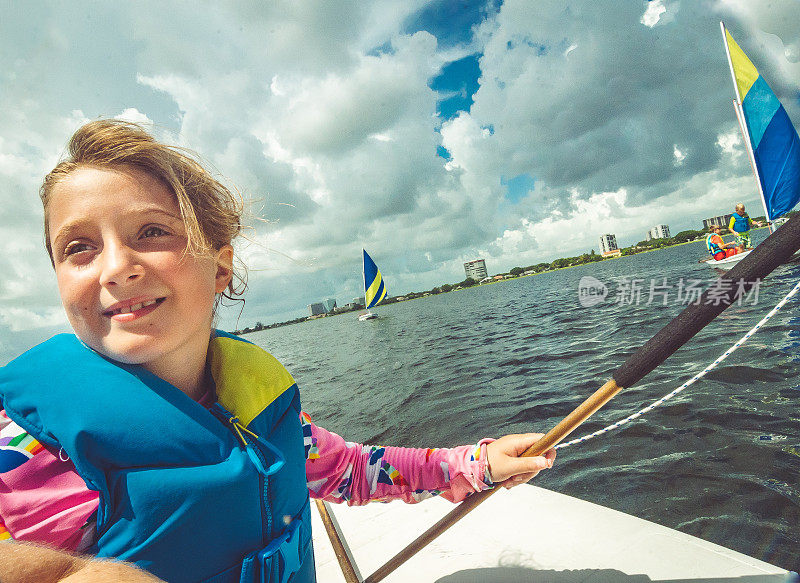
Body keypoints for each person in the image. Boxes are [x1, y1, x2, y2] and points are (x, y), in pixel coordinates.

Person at [0, 120, 556, 583]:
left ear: (220, 268)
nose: (117, 265)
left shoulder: (258, 396)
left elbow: (349, 469)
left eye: (151, 232)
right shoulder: (27, 443)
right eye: (79, 248)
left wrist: (477, 464)